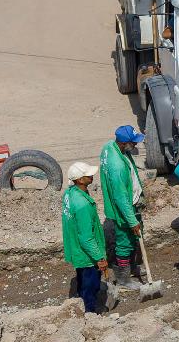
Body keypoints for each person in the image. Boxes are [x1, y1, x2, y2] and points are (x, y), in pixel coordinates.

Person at [100, 125, 145, 288]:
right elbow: (120, 198)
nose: (135, 146)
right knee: (125, 242)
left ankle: (131, 267)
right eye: (133, 143)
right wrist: (132, 221)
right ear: (125, 143)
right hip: (123, 210)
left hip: (125, 204)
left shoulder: (109, 147)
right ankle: (124, 279)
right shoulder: (117, 166)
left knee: (132, 239)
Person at [61, 161, 107, 314]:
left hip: (76, 248)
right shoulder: (82, 205)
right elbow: (86, 237)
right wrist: (99, 258)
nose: (91, 176)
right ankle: (90, 312)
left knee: (81, 279)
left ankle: (81, 302)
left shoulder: (70, 193)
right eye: (88, 175)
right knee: (91, 284)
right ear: (80, 180)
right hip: (87, 254)